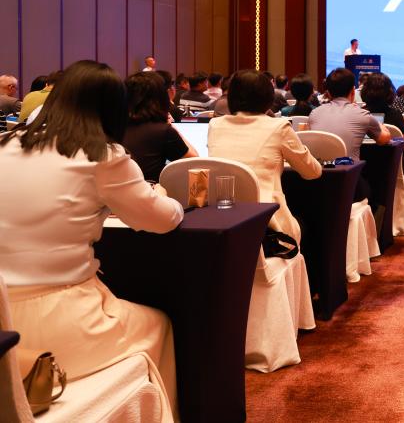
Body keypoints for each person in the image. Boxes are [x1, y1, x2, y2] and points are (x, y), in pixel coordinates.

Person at [0, 60, 182, 420]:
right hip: (59, 321)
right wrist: (164, 196)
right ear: (115, 108)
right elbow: (162, 220)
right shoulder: (102, 154)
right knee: (158, 323)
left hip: (3, 322)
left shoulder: (7, 144)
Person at [207, 70, 322, 243]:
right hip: (266, 223)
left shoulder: (215, 125)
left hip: (222, 219)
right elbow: (312, 172)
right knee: (309, 221)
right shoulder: (279, 127)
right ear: (268, 97)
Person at [122, 72, 197, 182]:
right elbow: (194, 161)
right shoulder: (163, 131)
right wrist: (171, 126)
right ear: (161, 97)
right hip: (150, 190)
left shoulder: (113, 127)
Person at [309, 68, 391, 162]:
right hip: (349, 171)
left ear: (328, 93)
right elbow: (384, 139)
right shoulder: (362, 115)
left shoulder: (314, 113)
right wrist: (378, 123)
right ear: (353, 91)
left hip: (319, 170)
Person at [362, 74, 404, 153]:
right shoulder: (395, 115)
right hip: (390, 160)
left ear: (364, 91)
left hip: (361, 160)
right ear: (390, 92)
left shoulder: (358, 114)